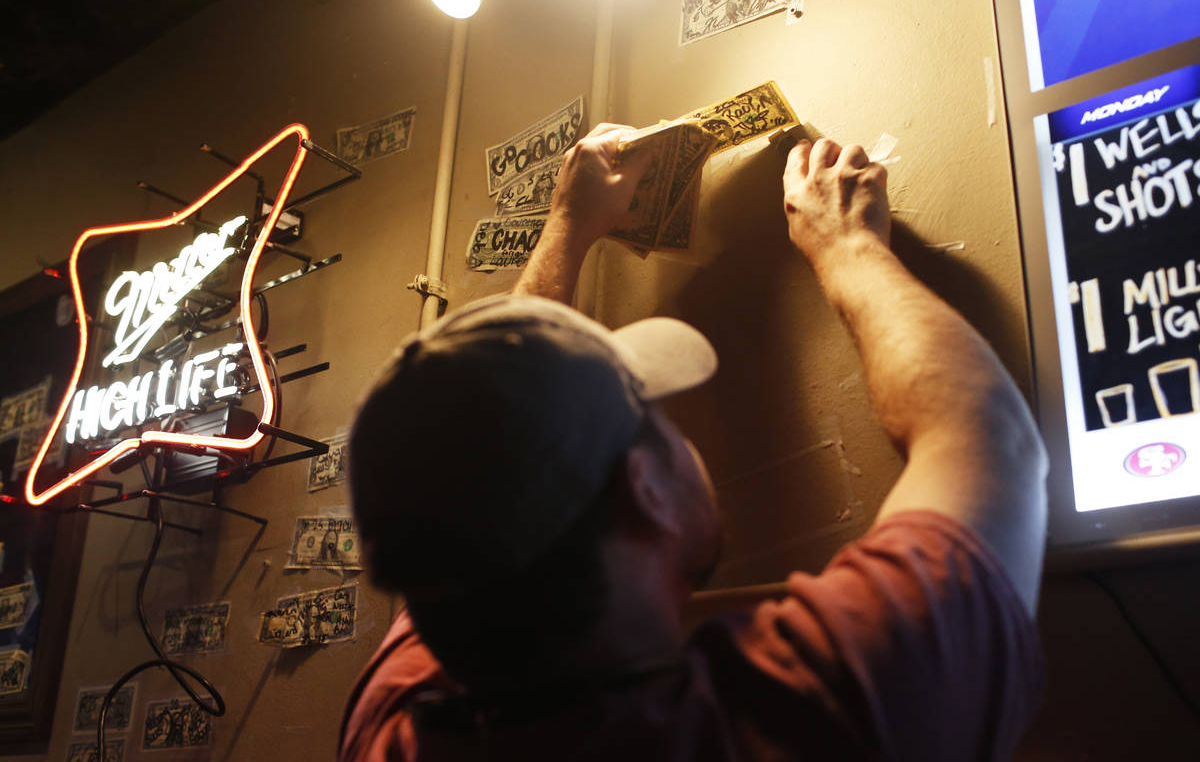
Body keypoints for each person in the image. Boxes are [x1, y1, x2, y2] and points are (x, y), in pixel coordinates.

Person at [340, 123, 1048, 761]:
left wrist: (568, 226)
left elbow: (477, 462)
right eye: (658, 414)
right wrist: (851, 249)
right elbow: (988, 437)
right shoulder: (805, 714)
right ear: (643, 485)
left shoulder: (392, 728)